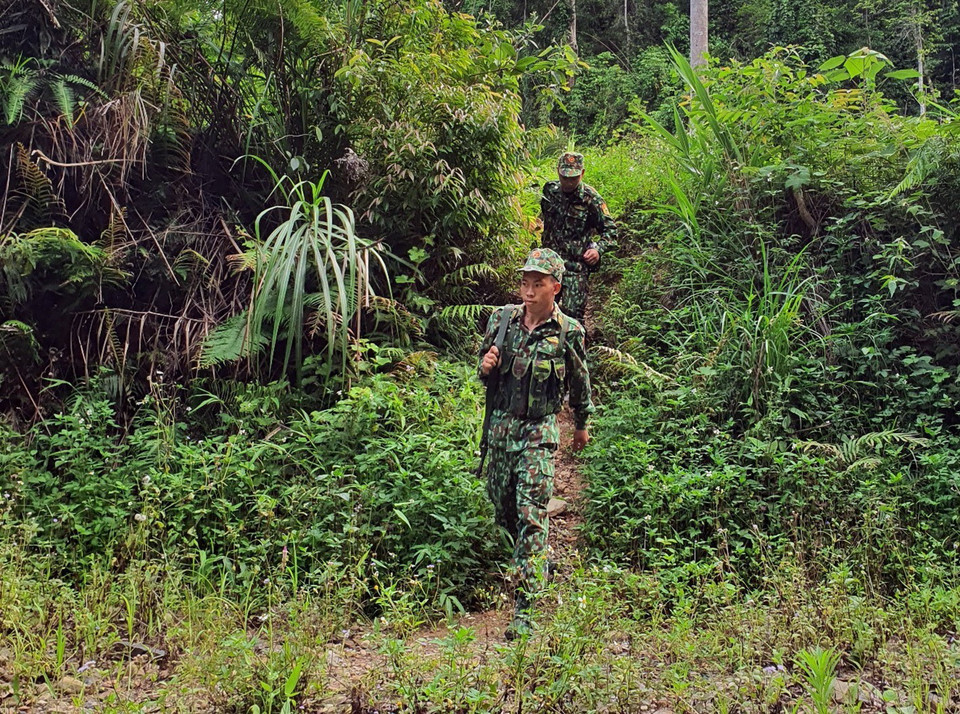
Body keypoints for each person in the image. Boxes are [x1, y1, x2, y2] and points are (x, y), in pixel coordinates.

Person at [478, 247, 594, 639]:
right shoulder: (502, 320)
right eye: (525, 282)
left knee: (531, 514)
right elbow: (483, 368)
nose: (528, 290)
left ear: (555, 288)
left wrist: (580, 423)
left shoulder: (568, 332)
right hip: (499, 432)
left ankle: (524, 608)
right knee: (503, 511)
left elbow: (579, 380)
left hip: (538, 432)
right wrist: (485, 366)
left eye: (538, 284)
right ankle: (537, 562)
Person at [540, 151, 617, 321]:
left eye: (573, 178)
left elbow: (611, 232)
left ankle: (573, 347)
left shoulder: (591, 200)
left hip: (575, 268)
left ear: (582, 173)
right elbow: (545, 219)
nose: (568, 182)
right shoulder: (550, 191)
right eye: (564, 176)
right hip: (549, 265)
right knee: (540, 313)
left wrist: (598, 250)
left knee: (571, 318)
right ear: (558, 170)